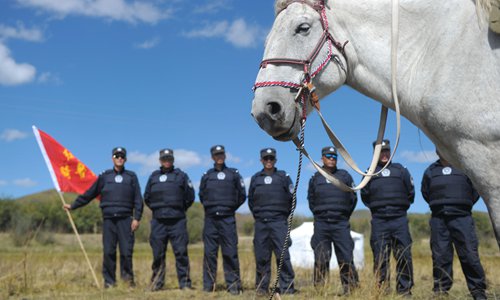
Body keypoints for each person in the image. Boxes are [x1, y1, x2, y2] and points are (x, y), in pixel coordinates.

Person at [63, 147, 143, 288]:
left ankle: (127, 282)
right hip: (109, 220)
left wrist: (136, 218)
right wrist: (74, 205)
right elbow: (90, 193)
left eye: (122, 156)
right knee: (108, 252)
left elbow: (138, 199)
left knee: (126, 252)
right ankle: (109, 282)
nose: (119, 158)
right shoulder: (104, 176)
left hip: (126, 220)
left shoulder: (131, 177)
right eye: (116, 156)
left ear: (125, 159)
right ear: (112, 158)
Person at [421, 150, 487, 300]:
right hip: (439, 219)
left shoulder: (464, 167)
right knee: (440, 256)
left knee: (470, 255)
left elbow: (475, 191)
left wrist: (461, 205)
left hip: (462, 217)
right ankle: (440, 291)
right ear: (437, 150)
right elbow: (425, 192)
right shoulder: (430, 171)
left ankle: (478, 291)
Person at [360, 139, 414, 296]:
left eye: (387, 151)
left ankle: (404, 291)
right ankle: (382, 290)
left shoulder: (401, 170)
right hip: (379, 221)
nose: (384, 154)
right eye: (381, 151)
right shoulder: (369, 172)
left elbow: (410, 193)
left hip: (399, 219)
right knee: (380, 257)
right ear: (375, 153)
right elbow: (365, 196)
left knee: (404, 255)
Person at [307, 146, 359, 295]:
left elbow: (352, 199)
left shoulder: (345, 176)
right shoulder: (315, 178)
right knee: (321, 258)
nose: (331, 159)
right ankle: (320, 291)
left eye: (334, 156)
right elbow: (311, 200)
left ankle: (351, 290)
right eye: (328, 156)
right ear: (322, 158)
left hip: (340, 223)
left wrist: (342, 215)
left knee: (346, 257)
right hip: (321, 224)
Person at [144, 148, 195, 291]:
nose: (167, 161)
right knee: (158, 254)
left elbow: (190, 196)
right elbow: (147, 197)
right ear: (160, 160)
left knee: (181, 253)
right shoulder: (153, 177)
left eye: (169, 158)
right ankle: (157, 284)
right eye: (164, 158)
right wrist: (158, 210)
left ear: (173, 160)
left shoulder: (181, 176)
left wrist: (178, 209)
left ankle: (185, 284)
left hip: (177, 221)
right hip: (158, 221)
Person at [248, 148, 297, 296]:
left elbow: (292, 199)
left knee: (283, 256)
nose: (268, 161)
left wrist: (281, 216)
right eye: (266, 158)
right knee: (262, 256)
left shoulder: (283, 176)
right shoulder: (256, 178)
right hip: (261, 223)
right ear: (261, 160)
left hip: (279, 222)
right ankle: (262, 289)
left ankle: (287, 288)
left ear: (275, 160)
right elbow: (250, 201)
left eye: (271, 158)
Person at [199, 145, 246, 295]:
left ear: (225, 155)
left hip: (227, 219)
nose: (219, 156)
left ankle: (233, 286)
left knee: (230, 252)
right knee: (210, 253)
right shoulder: (207, 175)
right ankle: (208, 286)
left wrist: (230, 208)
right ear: (212, 157)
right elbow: (201, 195)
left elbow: (242, 195)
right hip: (211, 220)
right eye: (216, 154)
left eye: (221, 154)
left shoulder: (233, 174)